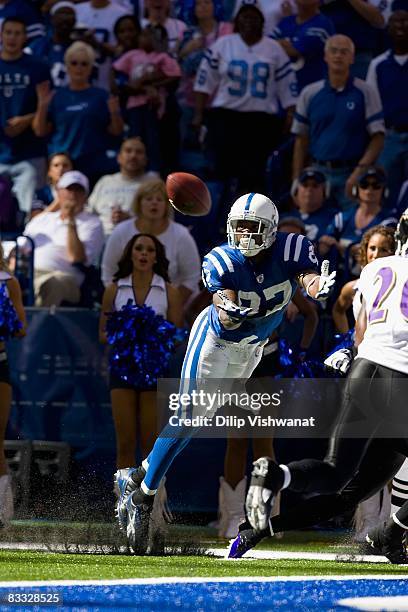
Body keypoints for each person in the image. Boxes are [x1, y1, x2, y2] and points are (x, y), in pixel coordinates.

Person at [114, 191, 336, 554]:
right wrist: (227, 305)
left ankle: (136, 477)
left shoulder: (292, 247)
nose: (245, 236)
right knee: (188, 413)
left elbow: (308, 277)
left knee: (198, 420)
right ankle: (143, 496)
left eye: (253, 228)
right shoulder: (222, 258)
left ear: (271, 229)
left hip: (251, 348)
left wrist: (315, 287)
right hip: (216, 340)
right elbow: (222, 297)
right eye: (239, 228)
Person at [243, 207, 408, 563]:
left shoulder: (375, 269)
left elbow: (362, 331)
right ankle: (392, 532)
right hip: (402, 380)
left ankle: (274, 482)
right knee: (349, 485)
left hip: (365, 372)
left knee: (339, 476)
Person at [193, 3, 297, 197]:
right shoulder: (223, 45)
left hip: (260, 120)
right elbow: (204, 81)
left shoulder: (273, 49)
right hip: (226, 117)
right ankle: (221, 216)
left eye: (254, 18)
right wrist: (198, 114)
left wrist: (290, 112)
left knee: (253, 174)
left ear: (262, 23)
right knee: (222, 171)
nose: (249, 22)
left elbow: (287, 84)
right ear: (237, 22)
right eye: (245, 18)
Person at [99, 233, 183, 469]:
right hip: (122, 372)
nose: (144, 253)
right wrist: (128, 335)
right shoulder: (114, 289)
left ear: (157, 257)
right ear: (131, 254)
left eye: (150, 250)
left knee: (150, 445)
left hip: (154, 372)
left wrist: (151, 337)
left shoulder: (169, 291)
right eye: (139, 248)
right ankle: (123, 503)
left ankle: (151, 504)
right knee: (125, 443)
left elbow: (177, 335)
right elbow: (102, 334)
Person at [292, 34, 385, 210]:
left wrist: (359, 172)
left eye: (344, 52)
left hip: (351, 172)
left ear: (352, 58)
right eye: (333, 51)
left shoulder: (366, 92)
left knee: (351, 231)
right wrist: (297, 180)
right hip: (317, 174)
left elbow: (378, 137)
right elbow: (300, 139)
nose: (338, 56)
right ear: (325, 56)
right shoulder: (309, 93)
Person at [33, 42, 124, 186]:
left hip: (95, 164)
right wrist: (42, 105)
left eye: (84, 63)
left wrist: (114, 112)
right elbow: (40, 131)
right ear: (67, 66)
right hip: (63, 166)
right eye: (74, 63)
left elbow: (116, 131)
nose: (79, 68)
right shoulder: (56, 96)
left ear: (91, 68)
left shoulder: (102, 96)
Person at [101, 178, 201, 304]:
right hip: (128, 304)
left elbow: (191, 278)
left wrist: (170, 306)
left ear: (167, 205)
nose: (154, 203)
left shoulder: (181, 234)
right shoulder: (121, 231)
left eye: (159, 199)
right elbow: (108, 273)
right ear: (139, 203)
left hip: (174, 305)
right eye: (148, 199)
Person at [24, 170, 105, 307]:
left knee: (53, 283)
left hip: (66, 278)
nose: (73, 194)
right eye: (68, 189)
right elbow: (20, 250)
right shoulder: (42, 219)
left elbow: (76, 258)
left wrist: (71, 220)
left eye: (78, 190)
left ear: (86, 196)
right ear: (58, 193)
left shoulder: (93, 223)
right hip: (30, 273)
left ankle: (37, 327)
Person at [112, 26, 181, 173]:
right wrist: (138, 87)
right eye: (144, 35)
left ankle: (153, 172)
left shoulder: (162, 57)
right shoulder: (132, 55)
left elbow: (175, 75)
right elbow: (115, 70)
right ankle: (132, 171)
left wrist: (152, 84)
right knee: (135, 138)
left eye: (152, 36)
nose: (147, 39)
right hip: (134, 105)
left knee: (153, 141)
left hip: (154, 106)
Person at [0, 18, 50, 214]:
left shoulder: (38, 67)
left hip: (30, 152)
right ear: (1, 35)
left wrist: (26, 120)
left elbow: (47, 106)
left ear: (25, 37)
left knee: (30, 212)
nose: (12, 37)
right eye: (8, 32)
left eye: (17, 33)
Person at [366, 10, 408, 209]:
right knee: (387, 191)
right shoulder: (378, 64)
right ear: (388, 29)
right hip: (390, 137)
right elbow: (372, 106)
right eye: (396, 22)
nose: (401, 27)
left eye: (405, 22)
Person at [319, 167, 398, 267]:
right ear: (356, 189)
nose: (369, 189)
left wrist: (339, 246)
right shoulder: (341, 218)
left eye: (376, 185)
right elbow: (324, 245)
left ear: (384, 190)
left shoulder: (389, 222)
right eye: (364, 185)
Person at [0, 240, 26, 526]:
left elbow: (21, 327)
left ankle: (3, 512)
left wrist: (3, 318)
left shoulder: (9, 282)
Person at [88, 137, 158, 237]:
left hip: (138, 241)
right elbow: (89, 213)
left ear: (146, 159)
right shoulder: (105, 181)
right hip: (101, 239)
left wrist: (131, 220)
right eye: (128, 151)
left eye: (139, 152)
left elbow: (164, 221)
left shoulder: (154, 184)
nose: (133, 156)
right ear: (119, 157)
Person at [271, 0, 335, 92]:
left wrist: (283, 43)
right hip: (285, 90)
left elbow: (295, 50)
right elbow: (268, 45)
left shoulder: (323, 24)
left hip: (313, 89)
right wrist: (285, 44)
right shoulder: (286, 21)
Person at [74, 0, 131, 90]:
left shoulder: (122, 13)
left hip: (107, 75)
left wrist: (96, 43)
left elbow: (124, 51)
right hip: (79, 74)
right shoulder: (76, 10)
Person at [29, 2, 77, 89]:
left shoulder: (79, 48)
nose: (65, 18)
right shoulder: (36, 46)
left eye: (69, 15)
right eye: (62, 14)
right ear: (52, 19)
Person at [283, 167, 337, 243]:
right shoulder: (284, 219)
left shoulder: (335, 219)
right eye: (305, 185)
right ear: (295, 191)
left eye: (315, 186)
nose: (309, 190)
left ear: (325, 192)